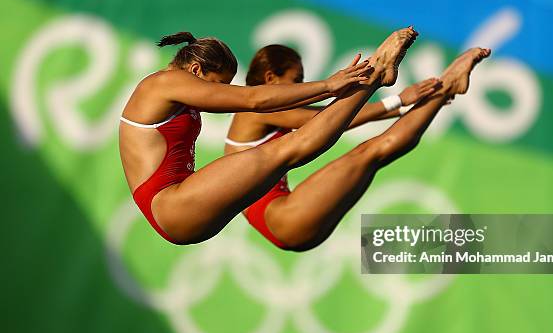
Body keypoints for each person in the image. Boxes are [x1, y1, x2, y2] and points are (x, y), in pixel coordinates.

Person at [119, 27, 418, 244]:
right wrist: (328, 85)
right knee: (289, 150)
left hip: (181, 206)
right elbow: (254, 100)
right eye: (217, 84)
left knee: (293, 152)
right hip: (172, 207)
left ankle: (382, 77)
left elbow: (281, 105)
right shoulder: (165, 82)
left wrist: (338, 91)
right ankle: (376, 73)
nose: (220, 93)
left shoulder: (171, 90)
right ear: (196, 70)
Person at [225, 45, 491, 251]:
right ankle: (443, 86)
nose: (301, 88)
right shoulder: (253, 112)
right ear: (270, 78)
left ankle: (446, 88)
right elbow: (322, 121)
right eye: (297, 80)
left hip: (291, 221)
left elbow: (332, 118)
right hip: (285, 219)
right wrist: (397, 101)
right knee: (368, 153)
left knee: (376, 154)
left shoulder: (265, 112)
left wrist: (401, 104)